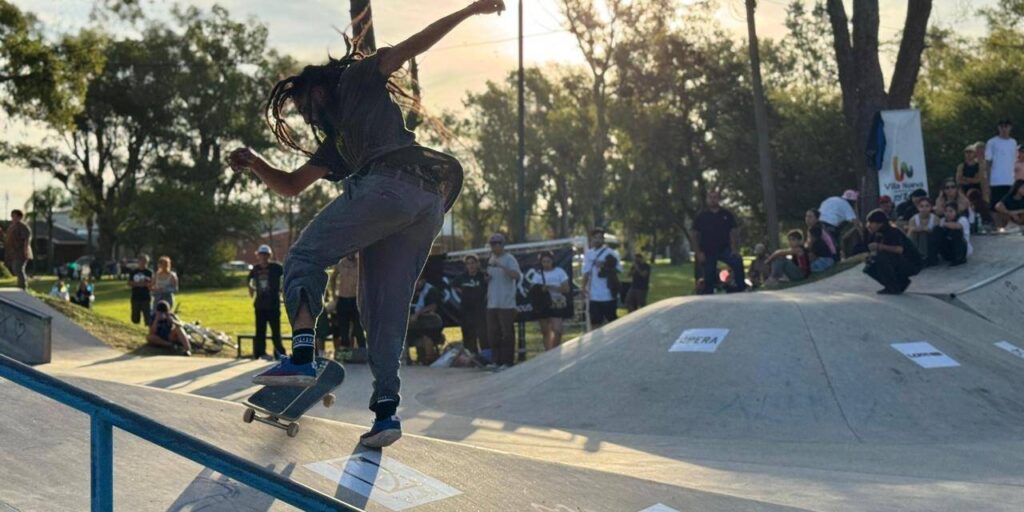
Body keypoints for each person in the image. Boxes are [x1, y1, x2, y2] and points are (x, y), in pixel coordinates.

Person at [228, 1, 504, 449]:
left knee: (302, 257)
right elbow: (293, 185)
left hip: (390, 185)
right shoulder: (337, 142)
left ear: (319, 88)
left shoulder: (355, 79)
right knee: (382, 308)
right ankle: (386, 413)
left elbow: (414, 43)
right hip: (425, 203)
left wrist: (470, 9)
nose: (307, 118)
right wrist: (257, 163)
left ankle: (301, 357)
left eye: (304, 106)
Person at [692, 191, 746, 294]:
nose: (713, 200)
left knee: (737, 261)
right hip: (708, 251)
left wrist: (735, 249)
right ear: (708, 199)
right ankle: (709, 294)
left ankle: (741, 289)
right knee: (709, 275)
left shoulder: (726, 214)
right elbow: (694, 234)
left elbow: (734, 231)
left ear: (719, 199)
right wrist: (698, 252)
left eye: (715, 197)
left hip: (724, 249)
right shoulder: (702, 216)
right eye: (711, 197)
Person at [862, 209, 922, 295]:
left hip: (912, 263)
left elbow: (899, 249)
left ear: (880, 223)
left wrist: (879, 246)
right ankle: (899, 283)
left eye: (871, 223)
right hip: (899, 261)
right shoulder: (878, 233)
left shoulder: (893, 232)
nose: (869, 225)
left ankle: (893, 287)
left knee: (881, 257)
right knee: (870, 266)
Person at [485, 233, 521, 368]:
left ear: (502, 245)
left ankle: (508, 361)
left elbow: (516, 276)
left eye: (497, 244)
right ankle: (495, 360)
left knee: (507, 333)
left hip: (506, 303)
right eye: (492, 244)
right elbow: (489, 277)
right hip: (492, 302)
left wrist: (501, 266)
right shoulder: (490, 259)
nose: (494, 247)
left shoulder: (509, 259)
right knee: (493, 333)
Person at [247, 245, 285, 361]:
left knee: (276, 331)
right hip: (260, 305)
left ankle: (279, 352)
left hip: (273, 304)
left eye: (265, 255)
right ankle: (260, 352)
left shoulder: (276, 267)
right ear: (258, 256)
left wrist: (283, 289)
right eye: (261, 255)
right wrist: (251, 289)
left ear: (269, 256)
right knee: (260, 330)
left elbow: (286, 275)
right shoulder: (255, 268)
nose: (263, 257)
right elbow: (249, 280)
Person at [326, 254, 366, 363]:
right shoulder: (340, 263)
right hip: (343, 299)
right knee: (343, 330)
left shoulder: (360, 264)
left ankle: (363, 356)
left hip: (355, 300)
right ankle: (346, 357)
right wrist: (334, 295)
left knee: (358, 329)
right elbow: (333, 279)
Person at [530, 251, 571, 350]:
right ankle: (548, 352)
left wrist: (552, 287)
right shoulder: (538, 274)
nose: (546, 264)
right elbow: (533, 289)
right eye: (544, 262)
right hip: (543, 304)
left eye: (548, 261)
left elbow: (566, 289)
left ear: (552, 261)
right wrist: (541, 289)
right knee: (545, 331)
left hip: (556, 303)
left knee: (557, 330)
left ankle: (554, 349)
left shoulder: (559, 272)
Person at [582, 227, 623, 323]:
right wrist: (583, 287)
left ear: (603, 239)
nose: (597, 240)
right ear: (591, 239)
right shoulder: (589, 254)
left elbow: (619, 269)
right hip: (594, 294)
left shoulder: (611, 253)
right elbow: (586, 272)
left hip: (608, 293)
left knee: (611, 321)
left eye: (600, 238)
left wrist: (605, 265)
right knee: (595, 321)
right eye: (595, 237)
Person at [452, 254, 488, 359]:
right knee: (468, 334)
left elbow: (489, 286)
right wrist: (463, 292)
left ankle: (485, 357)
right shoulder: (462, 277)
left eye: (473, 263)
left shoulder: (482, 276)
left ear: (477, 264)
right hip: (466, 310)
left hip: (480, 309)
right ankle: (472, 357)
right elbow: (453, 285)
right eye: (468, 264)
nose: (471, 266)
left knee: (483, 334)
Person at [406, 276, 445, 365]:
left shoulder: (430, 290)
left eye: (418, 281)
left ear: (423, 280)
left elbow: (433, 307)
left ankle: (429, 359)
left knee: (426, 337)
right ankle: (409, 359)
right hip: (413, 324)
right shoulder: (409, 289)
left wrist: (417, 314)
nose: (416, 283)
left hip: (430, 323)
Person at [818, 190, 861, 260]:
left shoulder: (832, 199)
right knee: (834, 247)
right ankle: (836, 260)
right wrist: (863, 236)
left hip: (818, 223)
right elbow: (856, 222)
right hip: (830, 225)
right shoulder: (846, 205)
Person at [985, 119, 1017, 204]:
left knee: (1009, 205)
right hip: (996, 181)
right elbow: (988, 162)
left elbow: (1015, 161)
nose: (1004, 129)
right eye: (1001, 126)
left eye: (1006, 126)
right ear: (998, 128)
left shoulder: (1013, 142)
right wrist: (988, 181)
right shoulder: (992, 142)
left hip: (1010, 181)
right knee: (995, 206)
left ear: (1010, 128)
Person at [4, 209, 33, 290]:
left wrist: (25, 251)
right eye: (12, 216)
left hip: (21, 252)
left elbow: (26, 240)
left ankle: (23, 287)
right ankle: (20, 285)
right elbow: (7, 238)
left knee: (18, 268)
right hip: (13, 252)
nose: (13, 218)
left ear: (20, 217)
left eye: (15, 216)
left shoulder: (23, 227)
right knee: (15, 268)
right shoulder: (11, 227)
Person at [905, 197, 938, 263]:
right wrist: (913, 229)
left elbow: (937, 235)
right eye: (921, 206)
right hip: (916, 243)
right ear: (918, 208)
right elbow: (908, 237)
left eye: (927, 206)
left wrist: (926, 229)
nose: (924, 209)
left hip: (930, 246)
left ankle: (923, 257)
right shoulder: (913, 219)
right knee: (915, 231)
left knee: (924, 232)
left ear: (931, 207)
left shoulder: (935, 219)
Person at [127, 255, 153, 325]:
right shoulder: (134, 272)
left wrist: (146, 284)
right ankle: (135, 324)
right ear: (138, 262)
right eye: (141, 261)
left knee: (147, 314)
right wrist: (139, 284)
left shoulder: (149, 272)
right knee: (135, 316)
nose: (143, 263)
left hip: (146, 296)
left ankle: (148, 325)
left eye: (145, 262)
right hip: (135, 296)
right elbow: (129, 283)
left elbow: (152, 283)